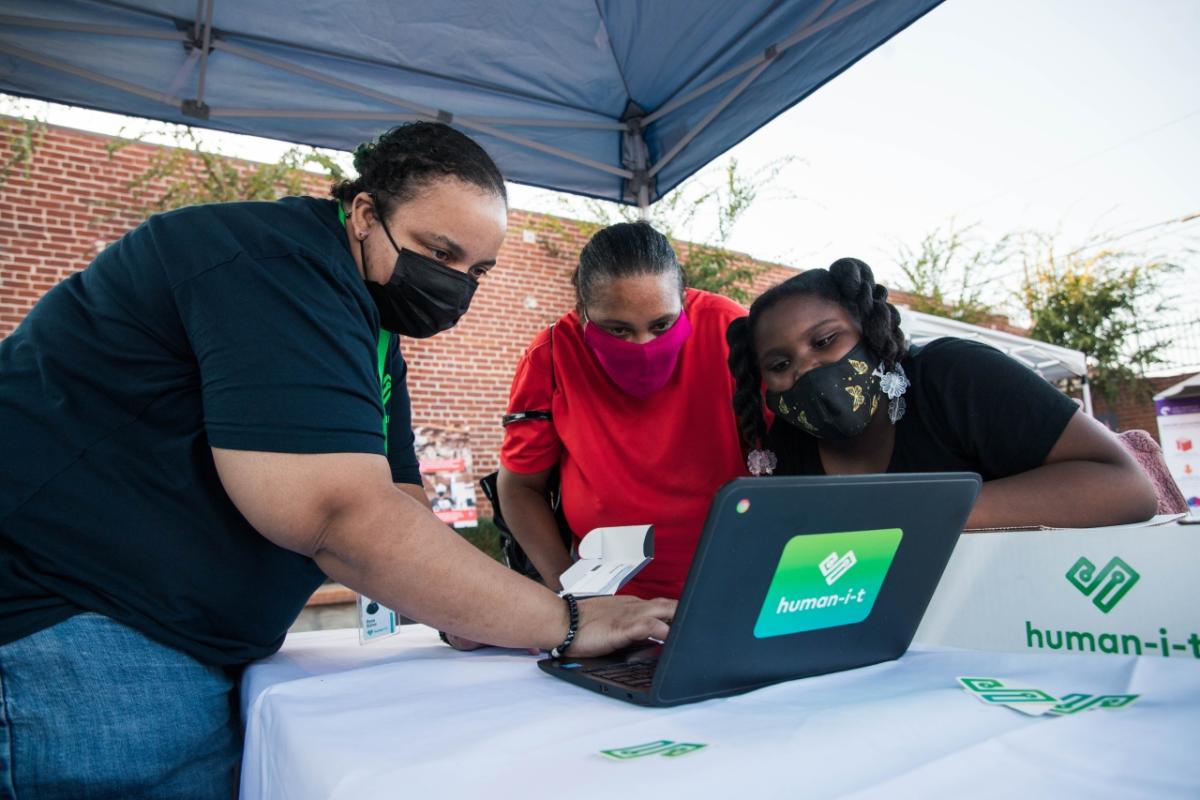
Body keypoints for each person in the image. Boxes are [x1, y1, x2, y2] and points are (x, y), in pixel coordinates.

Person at [0, 123, 674, 798]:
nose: (455, 286)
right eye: (439, 252)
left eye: (477, 270)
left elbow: (400, 499)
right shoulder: (272, 264)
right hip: (77, 636)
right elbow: (340, 514)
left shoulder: (373, 329)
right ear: (362, 214)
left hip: (166, 643)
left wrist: (471, 610)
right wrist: (566, 621)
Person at [725, 257, 1158, 529]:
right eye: (780, 365)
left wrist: (921, 514)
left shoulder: (952, 376)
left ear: (869, 332)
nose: (806, 369)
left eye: (825, 342)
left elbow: (1127, 488)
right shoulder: (789, 445)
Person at [497, 221, 748, 599]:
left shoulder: (730, 329)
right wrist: (575, 595)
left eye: (663, 324)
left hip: (737, 584)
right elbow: (519, 487)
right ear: (582, 311)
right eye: (617, 330)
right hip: (611, 595)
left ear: (683, 295)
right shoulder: (551, 355)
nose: (643, 345)